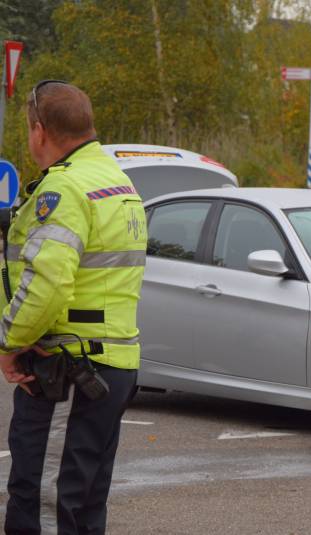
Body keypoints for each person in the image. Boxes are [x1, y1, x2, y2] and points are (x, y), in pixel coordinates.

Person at [0, 81, 147, 534]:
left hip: (64, 370)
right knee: (82, 506)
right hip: (111, 365)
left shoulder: (63, 190)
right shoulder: (115, 182)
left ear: (39, 131)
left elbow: (47, 286)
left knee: (43, 504)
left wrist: (8, 344)